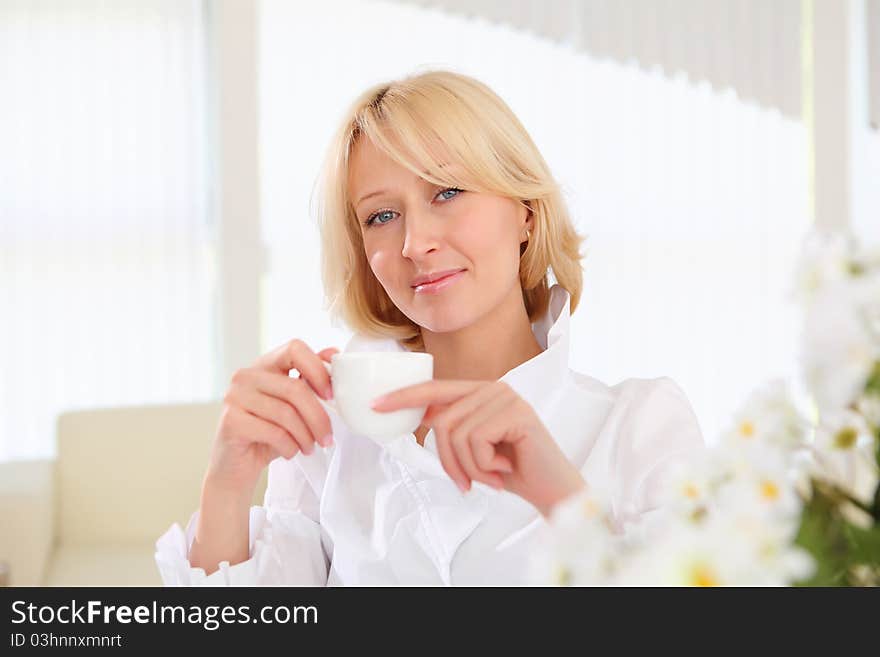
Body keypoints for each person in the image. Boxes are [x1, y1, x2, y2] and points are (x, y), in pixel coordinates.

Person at [155, 69, 704, 586]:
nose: (415, 245)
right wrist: (225, 487)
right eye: (381, 216)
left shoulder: (639, 426)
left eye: (447, 192)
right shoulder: (326, 441)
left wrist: (560, 498)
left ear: (526, 212)